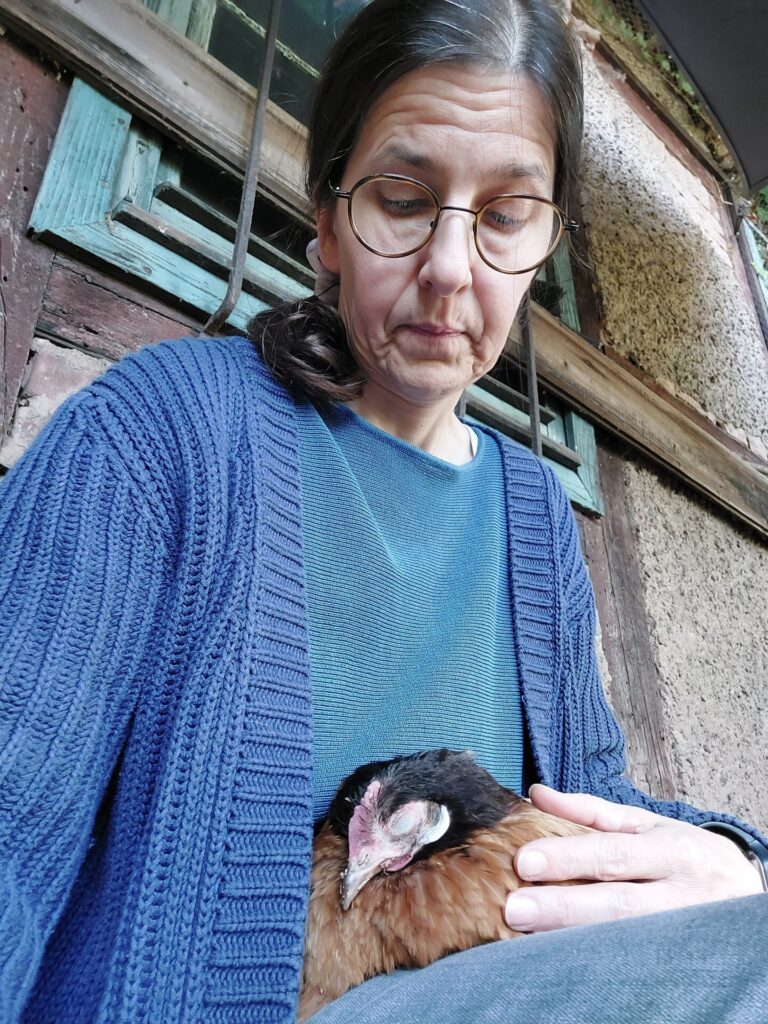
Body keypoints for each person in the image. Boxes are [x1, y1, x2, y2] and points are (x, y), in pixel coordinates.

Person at [0, 1, 765, 1022]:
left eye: (505, 217)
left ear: (544, 247)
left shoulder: (536, 518)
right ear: (328, 221)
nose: (450, 268)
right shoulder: (158, 434)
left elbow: (590, 803)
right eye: (404, 199)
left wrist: (734, 866)